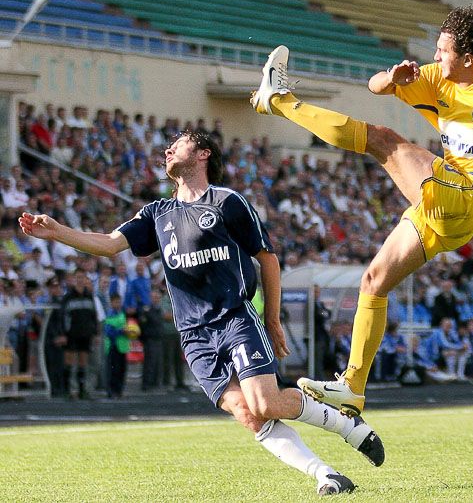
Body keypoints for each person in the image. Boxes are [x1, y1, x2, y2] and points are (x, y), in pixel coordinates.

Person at [251, 7, 473, 415]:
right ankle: (353, 387)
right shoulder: (433, 77)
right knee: (373, 281)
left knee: (384, 140)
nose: (436, 54)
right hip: (445, 211)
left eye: (443, 49)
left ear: (468, 58)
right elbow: (374, 86)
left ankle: (279, 99)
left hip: (472, 194)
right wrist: (392, 79)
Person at [18, 129, 384, 496]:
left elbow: (268, 260)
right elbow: (110, 244)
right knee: (248, 413)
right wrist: (59, 232)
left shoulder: (227, 202)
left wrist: (271, 320)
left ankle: (344, 423)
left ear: (203, 153)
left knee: (266, 402)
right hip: (193, 335)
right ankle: (326, 475)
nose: (167, 150)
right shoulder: (156, 214)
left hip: (235, 318)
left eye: (176, 144)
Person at [61, 268, 98, 399]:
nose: (80, 280)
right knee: (69, 362)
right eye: (78, 277)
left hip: (86, 333)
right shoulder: (68, 297)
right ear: (74, 279)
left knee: (83, 362)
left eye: (82, 277)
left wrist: (95, 333)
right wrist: (63, 334)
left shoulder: (89, 295)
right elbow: (63, 316)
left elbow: (94, 316)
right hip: (72, 333)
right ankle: (67, 391)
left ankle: (82, 390)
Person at [103, 293, 130, 398]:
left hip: (122, 346)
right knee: (113, 370)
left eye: (119, 302)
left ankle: (119, 390)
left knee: (121, 370)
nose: (118, 304)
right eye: (115, 302)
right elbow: (108, 331)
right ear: (111, 303)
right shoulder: (110, 314)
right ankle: (111, 390)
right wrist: (121, 331)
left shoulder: (122, 313)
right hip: (113, 346)